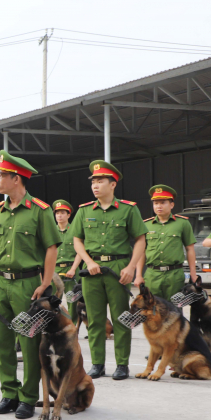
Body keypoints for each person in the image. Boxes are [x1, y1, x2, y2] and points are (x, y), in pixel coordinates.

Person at [0, 151, 61, 419]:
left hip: (27, 285)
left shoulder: (40, 211)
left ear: (17, 178)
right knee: (1, 343)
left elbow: (51, 248)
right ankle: (9, 395)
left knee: (28, 342)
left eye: (2, 176)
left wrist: (46, 282)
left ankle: (28, 397)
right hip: (0, 283)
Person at [70, 160, 147, 381]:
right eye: (93, 181)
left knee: (121, 318)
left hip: (117, 269)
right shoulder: (84, 211)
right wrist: (88, 261)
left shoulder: (128, 209)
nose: (95, 185)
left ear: (112, 184)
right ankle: (97, 364)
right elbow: (77, 240)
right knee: (94, 320)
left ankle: (122, 364)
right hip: (91, 270)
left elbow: (140, 240)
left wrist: (131, 267)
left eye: (100, 181)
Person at [135, 185, 197, 299]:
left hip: (174, 275)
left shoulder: (182, 223)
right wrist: (138, 275)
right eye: (156, 203)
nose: (159, 206)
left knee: (175, 310)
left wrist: (193, 273)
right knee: (153, 310)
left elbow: (190, 249)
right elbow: (141, 252)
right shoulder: (145, 225)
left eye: (163, 202)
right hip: (152, 274)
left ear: (171, 205)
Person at [53, 200, 82, 323]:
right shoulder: (51, 231)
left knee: (73, 301)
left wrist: (73, 269)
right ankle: (55, 325)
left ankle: (72, 326)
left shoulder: (75, 230)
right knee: (52, 301)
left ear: (68, 215)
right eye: (57, 213)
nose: (59, 215)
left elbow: (80, 252)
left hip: (71, 269)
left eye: (62, 213)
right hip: (54, 270)